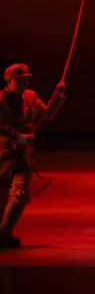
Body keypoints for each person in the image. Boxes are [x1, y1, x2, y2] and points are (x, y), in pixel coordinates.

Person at [0, 63, 65, 248]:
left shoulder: (30, 97)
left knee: (21, 193)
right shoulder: (0, 100)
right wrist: (18, 138)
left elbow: (47, 115)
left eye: (26, 79)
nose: (25, 83)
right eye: (20, 80)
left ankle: (4, 232)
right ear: (9, 81)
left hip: (23, 155)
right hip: (3, 153)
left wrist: (58, 95)